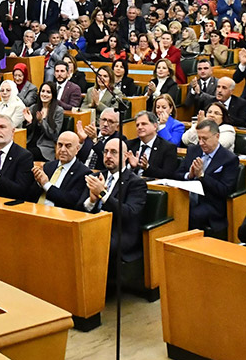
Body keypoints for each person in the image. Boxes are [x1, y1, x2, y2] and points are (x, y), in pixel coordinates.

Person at [84, 138, 147, 270]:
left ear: (125, 156)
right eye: (105, 152)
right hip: (93, 226)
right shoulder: (97, 176)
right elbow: (79, 208)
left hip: (119, 231)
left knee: (92, 243)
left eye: (113, 152)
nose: (108, 156)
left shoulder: (135, 183)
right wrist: (91, 201)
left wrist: (102, 194)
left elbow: (129, 213)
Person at [175, 119, 240, 235]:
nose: (201, 143)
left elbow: (224, 190)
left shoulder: (229, 159)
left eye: (204, 139)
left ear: (217, 136)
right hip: (186, 198)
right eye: (199, 138)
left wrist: (202, 176)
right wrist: (189, 175)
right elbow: (177, 174)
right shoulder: (193, 150)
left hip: (211, 203)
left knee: (191, 214)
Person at [32, 131, 93, 209]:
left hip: (58, 215)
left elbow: (70, 201)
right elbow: (31, 195)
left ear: (77, 149)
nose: (63, 149)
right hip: (36, 210)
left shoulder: (83, 173)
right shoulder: (48, 166)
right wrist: (37, 181)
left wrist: (46, 184)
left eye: (68, 146)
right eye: (60, 145)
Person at [126, 111, 179, 180]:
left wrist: (147, 167)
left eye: (144, 124)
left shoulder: (168, 147)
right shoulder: (129, 145)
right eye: (137, 125)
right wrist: (131, 167)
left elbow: (168, 174)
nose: (139, 127)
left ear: (155, 126)